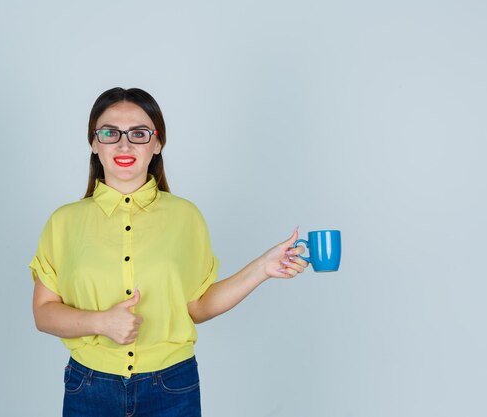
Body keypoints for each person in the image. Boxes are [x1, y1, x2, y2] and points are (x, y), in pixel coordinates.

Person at [29, 87, 309, 417]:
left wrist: (263, 268)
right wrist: (101, 322)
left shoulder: (186, 217)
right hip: (89, 387)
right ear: (94, 143)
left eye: (139, 133)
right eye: (109, 133)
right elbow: (44, 313)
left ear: (157, 143)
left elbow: (197, 306)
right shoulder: (63, 222)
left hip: (172, 387)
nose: (124, 144)